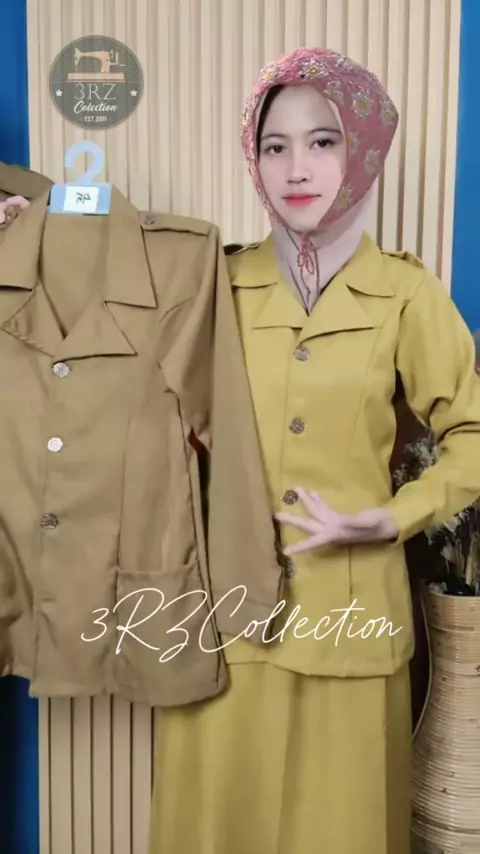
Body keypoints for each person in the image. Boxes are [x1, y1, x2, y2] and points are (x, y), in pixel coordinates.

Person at [147, 46, 480, 853]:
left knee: (343, 828)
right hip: (227, 616)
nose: (296, 167)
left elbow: (472, 434)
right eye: (275, 145)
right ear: (254, 159)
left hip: (352, 620)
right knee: (213, 827)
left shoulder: (406, 293)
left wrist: (392, 517)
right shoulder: (213, 285)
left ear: (361, 149)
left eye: (322, 141)